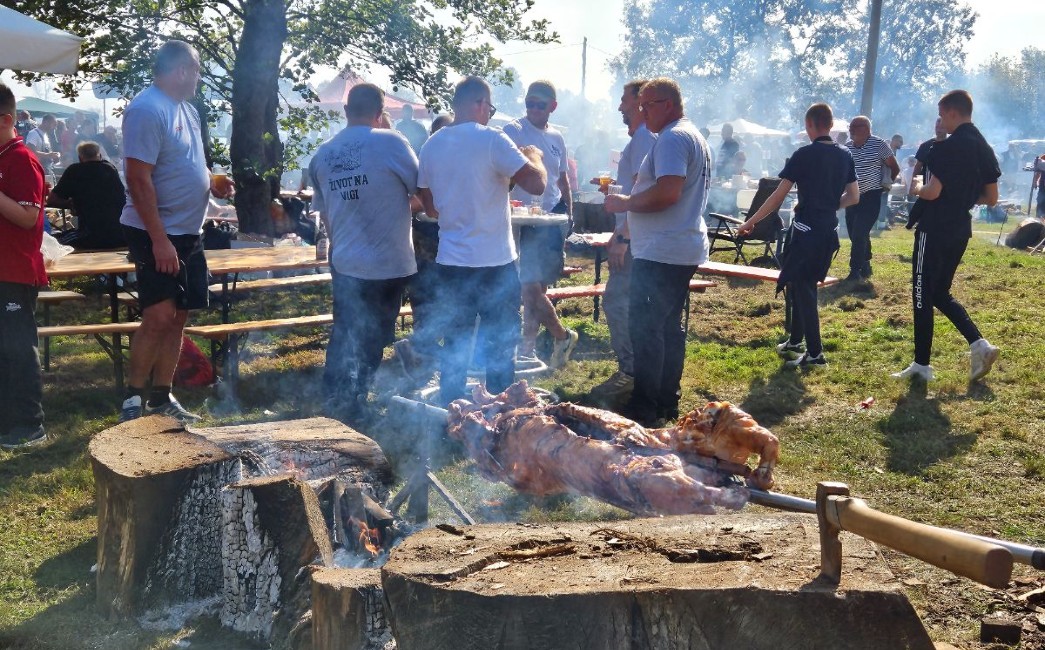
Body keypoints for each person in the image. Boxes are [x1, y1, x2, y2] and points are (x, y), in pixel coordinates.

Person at [118, 40, 234, 424]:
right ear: (183, 69)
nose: (200, 78)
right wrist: (159, 240)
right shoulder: (147, 109)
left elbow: (184, 164)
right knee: (158, 316)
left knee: (179, 316)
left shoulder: (186, 110)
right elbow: (138, 178)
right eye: (198, 70)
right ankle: (133, 400)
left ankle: (161, 397)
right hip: (158, 233)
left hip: (189, 232)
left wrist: (210, 183)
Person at [417, 76, 546, 405]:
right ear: (479, 104)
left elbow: (429, 206)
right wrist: (534, 157)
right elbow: (536, 184)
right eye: (490, 107)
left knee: (456, 341)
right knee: (500, 345)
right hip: (495, 264)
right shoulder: (492, 139)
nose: (490, 113)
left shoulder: (432, 144)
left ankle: (453, 409)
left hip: (451, 262)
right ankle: (503, 414)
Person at [604, 78, 711, 426]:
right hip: (677, 246)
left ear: (667, 104)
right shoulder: (688, 135)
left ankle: (645, 407)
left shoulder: (673, 138)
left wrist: (626, 202)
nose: (640, 111)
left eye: (646, 105)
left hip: (664, 250)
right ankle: (666, 401)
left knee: (646, 328)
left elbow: (668, 193)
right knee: (667, 328)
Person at [309, 83, 419, 421]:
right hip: (387, 261)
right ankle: (355, 403)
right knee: (374, 335)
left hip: (345, 260)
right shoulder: (392, 142)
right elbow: (421, 193)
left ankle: (336, 397)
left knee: (345, 329)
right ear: (380, 111)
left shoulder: (322, 154)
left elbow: (325, 214)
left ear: (345, 111)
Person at [738, 103, 859, 368]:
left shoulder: (803, 155)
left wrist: (751, 221)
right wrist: (829, 205)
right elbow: (854, 197)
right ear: (830, 124)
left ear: (810, 125)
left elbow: (777, 196)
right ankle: (795, 340)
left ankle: (815, 354)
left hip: (806, 233)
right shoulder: (845, 155)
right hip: (828, 231)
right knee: (796, 281)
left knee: (804, 289)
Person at [894, 89, 1001, 383]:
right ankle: (980, 345)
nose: (941, 121)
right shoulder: (984, 147)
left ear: (953, 112)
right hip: (960, 230)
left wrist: (915, 186)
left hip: (934, 228)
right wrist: (962, 197)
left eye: (942, 115)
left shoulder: (947, 148)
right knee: (939, 292)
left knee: (921, 293)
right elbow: (991, 197)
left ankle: (921, 365)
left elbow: (933, 192)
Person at [589, 79, 656, 403]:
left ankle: (630, 373)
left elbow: (643, 195)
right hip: (638, 237)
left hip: (635, 239)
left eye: (624, 102)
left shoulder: (644, 139)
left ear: (641, 104)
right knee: (625, 304)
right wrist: (612, 188)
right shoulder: (641, 140)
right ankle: (637, 373)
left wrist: (622, 238)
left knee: (617, 302)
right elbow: (635, 188)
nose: (619, 108)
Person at [502, 81, 577, 368]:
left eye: (540, 104)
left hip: (548, 218)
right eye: (529, 103)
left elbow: (562, 179)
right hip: (520, 220)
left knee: (537, 288)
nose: (533, 109)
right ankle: (562, 335)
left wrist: (569, 214)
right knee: (528, 287)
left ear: (553, 107)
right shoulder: (514, 131)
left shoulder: (557, 137)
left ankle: (528, 350)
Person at [0, 84, 49, 449]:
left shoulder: (21, 159)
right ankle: (8, 421)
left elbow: (29, 218)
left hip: (15, 271)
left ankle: (31, 424)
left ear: (6, 119)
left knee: (18, 348)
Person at [394, 114, 453, 380]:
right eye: (439, 133)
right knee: (426, 301)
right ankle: (418, 353)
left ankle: (422, 356)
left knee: (443, 305)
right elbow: (412, 202)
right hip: (426, 244)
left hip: (450, 247)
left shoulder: (460, 160)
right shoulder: (423, 160)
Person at [843, 115, 899, 281]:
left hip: (872, 195)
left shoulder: (879, 144)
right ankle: (866, 261)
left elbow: (894, 167)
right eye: (850, 127)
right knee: (855, 232)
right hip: (852, 196)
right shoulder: (847, 148)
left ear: (866, 129)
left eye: (855, 126)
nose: (851, 130)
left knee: (860, 231)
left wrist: (886, 185)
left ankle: (855, 271)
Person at [47, 141, 127, 250]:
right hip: (120, 234)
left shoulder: (74, 170)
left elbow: (52, 200)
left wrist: (71, 203)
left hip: (90, 235)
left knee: (53, 243)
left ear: (80, 158)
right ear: (99, 155)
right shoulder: (110, 169)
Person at [1032, 153, 1045, 218]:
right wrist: (1035, 181)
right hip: (1043, 186)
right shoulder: (1043, 157)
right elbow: (1038, 171)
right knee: (1041, 202)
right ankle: (1038, 222)